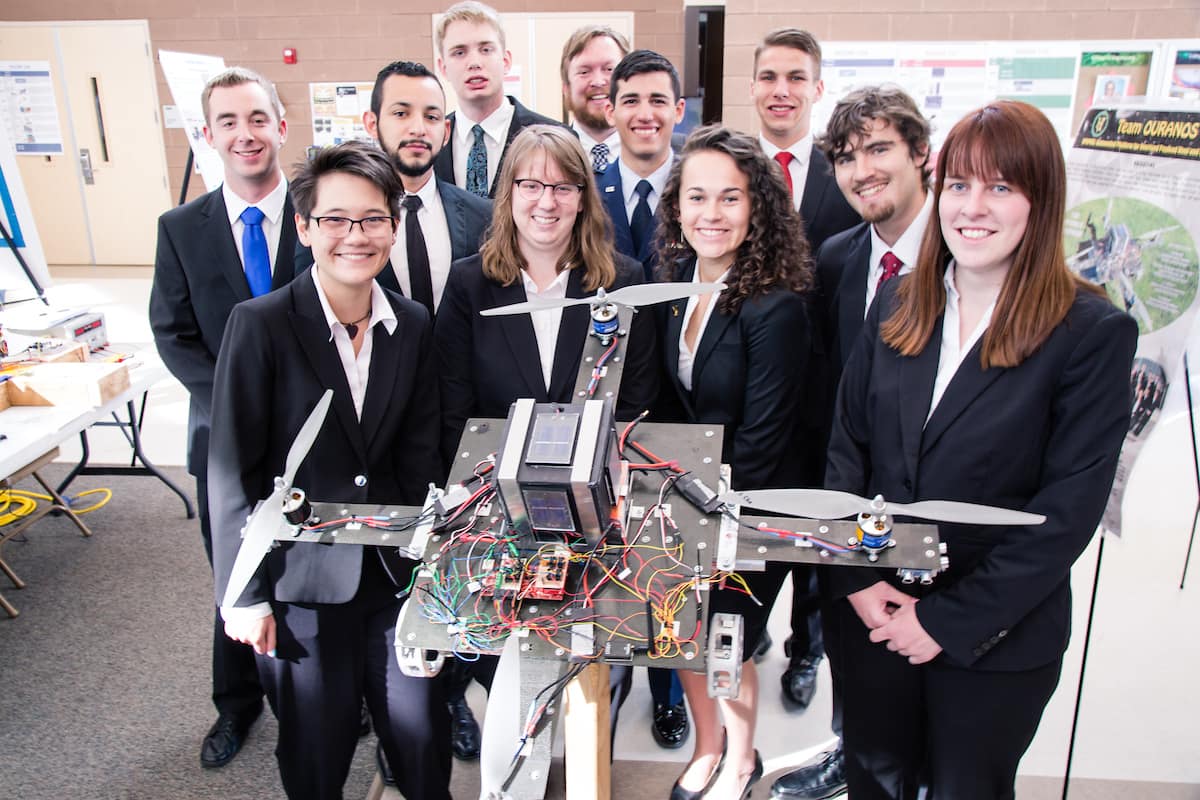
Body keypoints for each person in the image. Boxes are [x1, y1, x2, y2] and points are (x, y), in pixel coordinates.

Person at [825, 101, 1137, 799]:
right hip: (875, 614)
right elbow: (848, 451)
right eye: (960, 185)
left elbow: (1066, 511)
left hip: (995, 637)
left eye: (1001, 187)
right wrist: (858, 579)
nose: (974, 207)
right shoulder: (899, 302)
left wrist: (944, 620)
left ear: (1041, 199)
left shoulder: (1089, 333)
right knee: (873, 783)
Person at [210, 142, 451, 800]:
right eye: (337, 220)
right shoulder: (260, 325)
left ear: (394, 228)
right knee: (318, 744)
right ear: (305, 228)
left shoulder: (415, 323)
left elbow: (421, 454)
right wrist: (243, 594)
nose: (356, 236)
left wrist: (437, 564)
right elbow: (231, 468)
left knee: (422, 735)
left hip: (397, 573)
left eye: (373, 219)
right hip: (302, 583)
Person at [772, 84, 933, 800]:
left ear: (920, 153)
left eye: (878, 149)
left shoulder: (963, 253)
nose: (861, 169)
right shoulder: (837, 257)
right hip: (848, 495)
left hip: (936, 500)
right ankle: (851, 746)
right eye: (844, 157)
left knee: (927, 664)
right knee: (853, 633)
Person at [656, 125, 822, 800]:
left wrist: (707, 523)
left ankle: (742, 760)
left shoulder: (774, 304)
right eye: (697, 197)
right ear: (677, 206)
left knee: (725, 639)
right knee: (681, 628)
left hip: (754, 506)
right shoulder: (673, 282)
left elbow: (764, 440)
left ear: (758, 208)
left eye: (730, 198)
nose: (711, 215)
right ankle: (707, 744)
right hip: (687, 498)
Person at [149, 66, 293, 770]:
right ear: (208, 136)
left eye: (257, 119)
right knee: (236, 579)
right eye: (229, 122)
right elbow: (172, 332)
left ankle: (329, 695)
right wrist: (236, 401)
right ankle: (236, 707)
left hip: (313, 434)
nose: (245, 134)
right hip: (223, 445)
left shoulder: (320, 214)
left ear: (280, 127)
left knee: (313, 573)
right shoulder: (180, 229)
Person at [750, 27, 861, 710]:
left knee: (818, 546)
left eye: (795, 77)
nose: (781, 90)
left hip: (829, 399)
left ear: (816, 90)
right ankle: (750, 630)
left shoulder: (844, 178)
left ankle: (807, 649)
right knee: (757, 529)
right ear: (754, 87)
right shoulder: (731, 171)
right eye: (769, 77)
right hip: (752, 397)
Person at [436, 124, 658, 460]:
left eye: (563, 187)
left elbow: (636, 401)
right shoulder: (468, 283)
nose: (547, 201)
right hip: (491, 481)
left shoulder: (623, 281)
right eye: (531, 186)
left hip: (596, 481)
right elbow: (455, 411)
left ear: (583, 199)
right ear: (509, 193)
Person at [592, 47, 690, 750]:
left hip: (684, 408)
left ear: (678, 112)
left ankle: (666, 686)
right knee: (603, 549)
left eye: (659, 100)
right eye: (631, 99)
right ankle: (606, 669)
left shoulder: (704, 187)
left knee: (666, 558)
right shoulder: (583, 191)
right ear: (610, 109)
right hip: (604, 401)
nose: (644, 113)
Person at [297, 61, 492, 320]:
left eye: (431, 117)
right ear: (371, 122)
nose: (418, 129)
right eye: (401, 113)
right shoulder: (332, 218)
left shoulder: (483, 215)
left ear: (445, 132)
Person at [433, 1, 563, 198]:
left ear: (506, 61)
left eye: (486, 50)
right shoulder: (432, 142)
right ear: (443, 68)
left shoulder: (556, 136)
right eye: (459, 53)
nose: (474, 63)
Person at [561, 25, 630, 173]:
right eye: (584, 72)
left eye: (609, 69)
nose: (598, 81)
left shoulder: (662, 157)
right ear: (566, 88)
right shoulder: (549, 156)